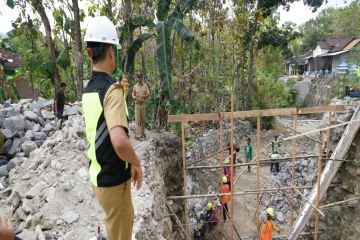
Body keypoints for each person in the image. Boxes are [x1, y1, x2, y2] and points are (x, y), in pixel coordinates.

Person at [83, 16, 143, 240]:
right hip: (114, 180)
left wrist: (121, 94)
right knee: (121, 233)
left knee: (116, 224)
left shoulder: (91, 89)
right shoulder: (111, 90)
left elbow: (101, 124)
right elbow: (118, 141)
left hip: (98, 176)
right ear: (110, 51)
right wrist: (136, 162)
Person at [132, 73, 150, 139]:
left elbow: (148, 94)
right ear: (137, 78)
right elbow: (133, 94)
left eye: (140, 77)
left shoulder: (145, 86)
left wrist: (144, 96)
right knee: (137, 120)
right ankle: (138, 135)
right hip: (137, 105)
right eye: (138, 77)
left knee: (143, 120)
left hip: (143, 104)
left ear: (142, 78)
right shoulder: (135, 86)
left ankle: (142, 134)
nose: (139, 79)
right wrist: (134, 97)